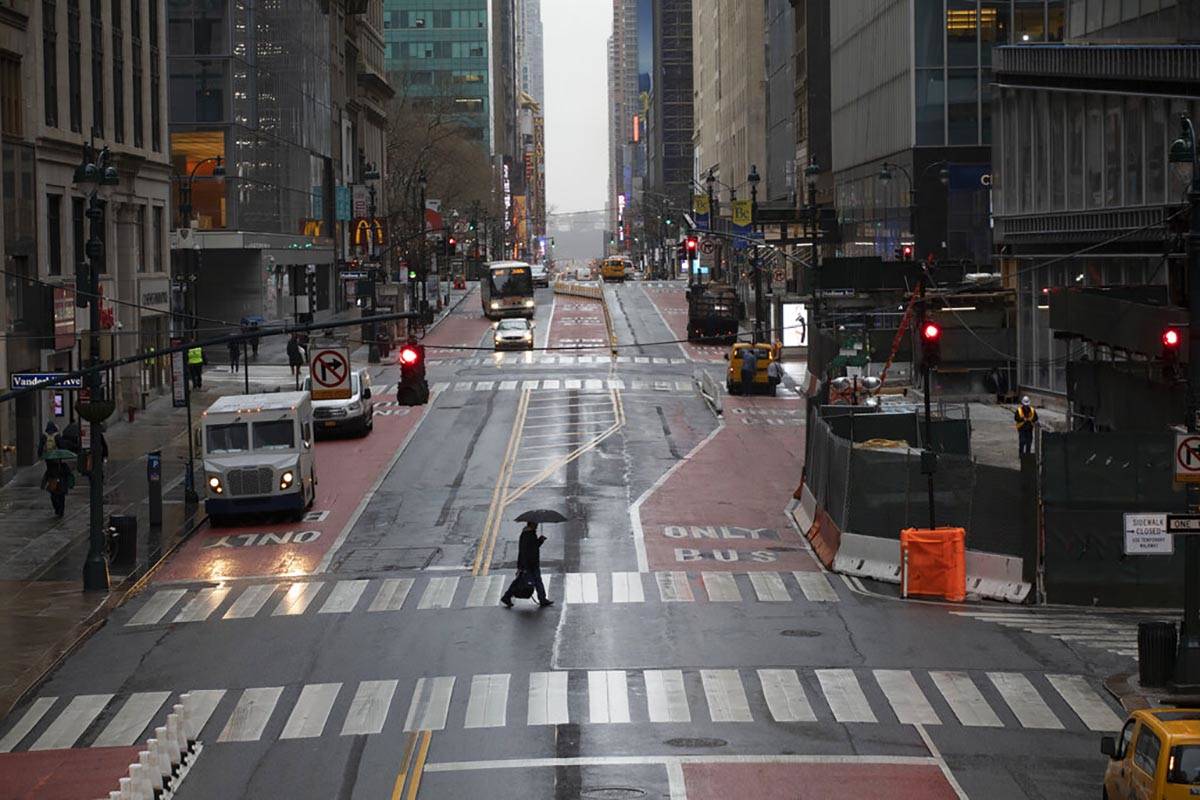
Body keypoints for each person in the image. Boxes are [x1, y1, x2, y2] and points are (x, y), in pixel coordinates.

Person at [501, 522, 553, 608]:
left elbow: (532, 547)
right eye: (535, 524)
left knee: (534, 581)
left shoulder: (530, 534)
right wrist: (523, 566)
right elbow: (526, 551)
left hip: (531, 563)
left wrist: (540, 540)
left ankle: (542, 599)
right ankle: (507, 597)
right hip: (529, 563)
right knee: (523, 581)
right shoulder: (528, 535)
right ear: (531, 524)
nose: (537, 525)